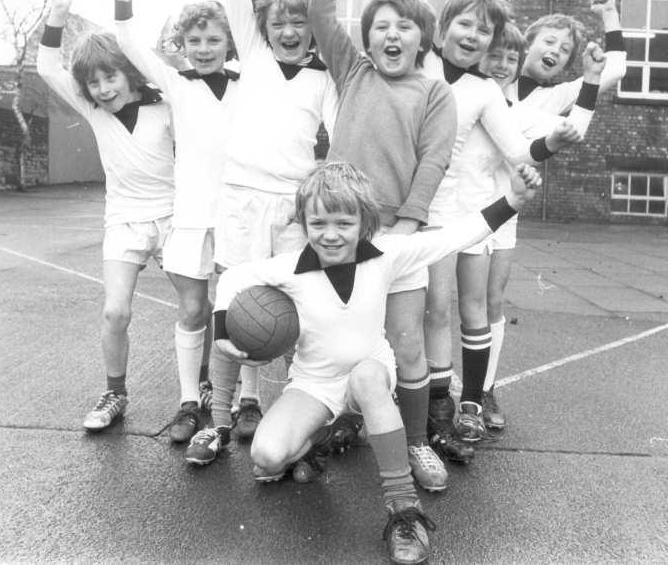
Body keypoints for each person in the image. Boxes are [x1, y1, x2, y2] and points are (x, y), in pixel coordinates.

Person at [203, 161, 540, 565]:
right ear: (305, 222)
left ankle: (404, 510)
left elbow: (455, 236)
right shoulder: (289, 268)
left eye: (343, 223)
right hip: (314, 383)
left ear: (364, 222)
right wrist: (222, 329)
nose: (330, 234)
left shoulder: (386, 254)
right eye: (318, 223)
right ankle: (322, 436)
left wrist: (514, 200)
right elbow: (231, 279)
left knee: (365, 376)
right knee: (267, 458)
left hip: (371, 374)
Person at [384, 0, 581, 448]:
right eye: (464, 25)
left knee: (443, 307)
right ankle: (380, 403)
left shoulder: (484, 90)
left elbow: (516, 148)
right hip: (394, 204)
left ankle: (454, 405)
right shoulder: (417, 59)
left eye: (484, 33)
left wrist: (550, 145)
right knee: (398, 309)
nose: (472, 37)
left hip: (446, 212)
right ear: (442, 26)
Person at [304, 0, 460, 492]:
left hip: (399, 236)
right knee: (337, 339)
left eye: (405, 27)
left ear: (424, 38)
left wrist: (407, 226)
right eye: (381, 27)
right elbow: (321, 13)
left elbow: (433, 162)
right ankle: (343, 420)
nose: (391, 36)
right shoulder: (352, 72)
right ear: (366, 38)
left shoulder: (435, 91)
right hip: (341, 236)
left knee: (407, 340)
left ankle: (415, 441)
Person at [186, 0, 340, 453]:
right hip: (240, 200)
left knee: (297, 315)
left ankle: (295, 427)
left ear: (313, 26)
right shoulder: (248, 54)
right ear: (264, 25)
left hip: (292, 210)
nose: (290, 29)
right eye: (280, 20)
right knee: (231, 311)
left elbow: (340, 141)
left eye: (300, 20)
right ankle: (219, 421)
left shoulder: (324, 77)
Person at [36, 0, 175, 431]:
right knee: (115, 312)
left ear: (129, 72)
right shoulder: (94, 110)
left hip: (174, 217)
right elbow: (44, 65)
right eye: (93, 83)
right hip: (123, 222)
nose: (102, 88)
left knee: (197, 307)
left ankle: (203, 389)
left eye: (109, 77)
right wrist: (58, 13)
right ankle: (115, 392)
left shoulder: (168, 108)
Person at [115, 0, 239, 444]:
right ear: (181, 47)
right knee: (193, 310)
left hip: (235, 216)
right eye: (195, 41)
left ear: (228, 43)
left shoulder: (247, 83)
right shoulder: (174, 85)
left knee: (238, 312)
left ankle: (240, 403)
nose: (205, 49)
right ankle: (190, 402)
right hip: (189, 217)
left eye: (213, 40)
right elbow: (126, 39)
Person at [476, 22, 607, 428]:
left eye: (565, 48)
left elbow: (573, 131)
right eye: (548, 41)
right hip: (452, 208)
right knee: (434, 305)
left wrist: (590, 79)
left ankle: (482, 389)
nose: (556, 50)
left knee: (491, 302)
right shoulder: (470, 89)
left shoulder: (533, 109)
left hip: (502, 211)